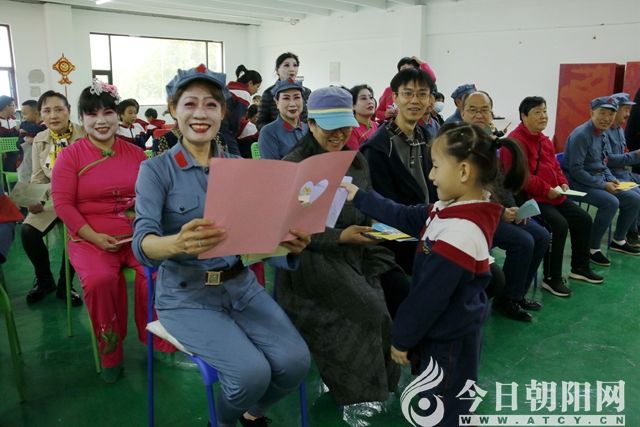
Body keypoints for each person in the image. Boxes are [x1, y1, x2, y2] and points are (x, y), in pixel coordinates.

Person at [133, 65, 311, 427]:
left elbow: (257, 238)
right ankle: (223, 422)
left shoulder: (239, 167)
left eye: (211, 105)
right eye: (190, 104)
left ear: (223, 112)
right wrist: (176, 242)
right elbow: (142, 243)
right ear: (173, 109)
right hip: (186, 297)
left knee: (296, 363)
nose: (200, 113)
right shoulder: (156, 171)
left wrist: (288, 244)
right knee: (250, 374)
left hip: (242, 287)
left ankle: (250, 414)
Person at [343, 122, 524, 425]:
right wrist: (359, 196)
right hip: (446, 330)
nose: (431, 175)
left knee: (446, 406)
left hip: (448, 340)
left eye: (436, 166)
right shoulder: (452, 207)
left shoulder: (459, 234)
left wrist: (402, 338)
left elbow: (428, 298)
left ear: (463, 172)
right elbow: (403, 215)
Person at [278, 86, 408, 405]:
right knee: (367, 307)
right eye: (329, 127)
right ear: (311, 124)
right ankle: (358, 392)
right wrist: (339, 237)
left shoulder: (357, 162)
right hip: (311, 258)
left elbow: (367, 207)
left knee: (396, 290)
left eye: (344, 126)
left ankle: (386, 380)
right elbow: (288, 230)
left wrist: (376, 230)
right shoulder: (294, 166)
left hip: (359, 249)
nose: (338, 135)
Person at [52, 79, 173, 382]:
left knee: (158, 272)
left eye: (107, 112)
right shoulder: (70, 156)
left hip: (136, 236)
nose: (101, 121)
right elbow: (62, 204)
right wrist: (94, 237)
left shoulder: (136, 154)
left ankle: (157, 340)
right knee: (100, 281)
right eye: (92, 114)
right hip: (89, 239)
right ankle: (111, 353)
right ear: (82, 118)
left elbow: (151, 197)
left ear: (117, 116)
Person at [463, 91, 550, 321]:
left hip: (496, 210)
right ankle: (506, 300)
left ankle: (517, 295)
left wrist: (513, 209)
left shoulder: (489, 143)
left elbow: (501, 182)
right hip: (471, 216)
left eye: (484, 110)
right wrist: (501, 213)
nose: (479, 115)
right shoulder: (457, 144)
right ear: (462, 113)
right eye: (473, 110)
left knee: (541, 236)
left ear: (491, 114)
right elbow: (465, 192)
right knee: (523, 241)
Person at [506, 96, 603, 297]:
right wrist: (546, 189)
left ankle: (580, 267)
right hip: (530, 197)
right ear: (524, 116)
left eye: (544, 111)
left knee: (583, 219)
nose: (543, 116)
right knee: (558, 224)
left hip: (553, 195)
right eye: (537, 112)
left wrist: (562, 182)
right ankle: (551, 278)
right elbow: (520, 177)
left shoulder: (544, 139)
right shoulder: (514, 142)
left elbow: (555, 166)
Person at [360, 67, 436, 274]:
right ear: (395, 97)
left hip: (430, 226)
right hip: (399, 235)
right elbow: (381, 207)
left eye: (422, 94)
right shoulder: (378, 148)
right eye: (408, 94)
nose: (415, 101)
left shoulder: (428, 139)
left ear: (430, 99)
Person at [22, 91, 83, 306]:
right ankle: (44, 280)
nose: (53, 115)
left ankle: (66, 285)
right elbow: (38, 176)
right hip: (53, 199)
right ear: (41, 115)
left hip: (81, 200)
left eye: (59, 109)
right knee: (28, 231)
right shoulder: (40, 139)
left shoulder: (84, 135)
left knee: (76, 235)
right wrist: (36, 199)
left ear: (68, 111)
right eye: (47, 111)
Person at [563, 96, 640, 265]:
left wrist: (612, 179)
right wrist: (604, 185)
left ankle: (619, 240)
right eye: (602, 113)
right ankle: (592, 249)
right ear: (592, 112)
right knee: (610, 202)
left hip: (596, 180)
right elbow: (576, 170)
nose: (606, 118)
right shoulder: (581, 135)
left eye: (610, 114)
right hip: (576, 183)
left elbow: (603, 163)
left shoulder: (602, 133)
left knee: (634, 198)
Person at [605, 92, 640, 246]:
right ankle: (629, 233)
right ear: (615, 109)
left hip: (623, 173)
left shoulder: (619, 129)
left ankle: (635, 228)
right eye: (625, 109)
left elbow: (622, 155)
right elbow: (608, 160)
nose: (628, 114)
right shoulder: (604, 131)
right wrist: (635, 156)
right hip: (612, 176)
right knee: (636, 194)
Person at [257, 52, 311, 129]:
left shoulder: (306, 92)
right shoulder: (269, 93)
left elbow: (311, 119)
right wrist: (275, 132)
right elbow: (260, 122)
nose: (292, 69)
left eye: (295, 65)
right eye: (286, 65)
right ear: (277, 70)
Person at [374, 56, 436, 123]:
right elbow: (378, 112)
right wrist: (386, 114)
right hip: (393, 125)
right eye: (403, 70)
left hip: (415, 125)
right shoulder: (389, 90)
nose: (406, 74)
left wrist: (421, 62)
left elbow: (432, 78)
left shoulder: (419, 88)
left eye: (410, 70)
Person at [257, 79, 308, 160]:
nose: (292, 104)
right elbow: (271, 166)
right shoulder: (268, 132)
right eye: (286, 98)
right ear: (277, 102)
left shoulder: (308, 129)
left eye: (297, 97)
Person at [220, 64, 262, 156]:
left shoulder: (229, 88)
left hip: (218, 126)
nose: (257, 90)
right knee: (236, 158)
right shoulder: (243, 93)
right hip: (225, 128)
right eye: (257, 86)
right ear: (250, 83)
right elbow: (236, 122)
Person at [17, 99, 46, 183]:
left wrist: (33, 139)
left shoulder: (44, 126)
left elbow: (37, 130)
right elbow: (18, 144)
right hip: (25, 164)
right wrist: (25, 138)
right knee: (25, 184)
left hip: (41, 163)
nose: (23, 117)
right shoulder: (25, 125)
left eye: (25, 114)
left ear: (36, 113)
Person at [345, 84, 378, 150]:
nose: (370, 102)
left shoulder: (377, 126)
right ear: (353, 106)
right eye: (363, 98)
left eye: (371, 97)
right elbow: (356, 156)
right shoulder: (351, 130)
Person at [0, 95, 19, 172]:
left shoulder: (12, 119)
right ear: (6, 107)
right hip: (4, 153)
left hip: (15, 150)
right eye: (13, 105)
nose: (15, 107)